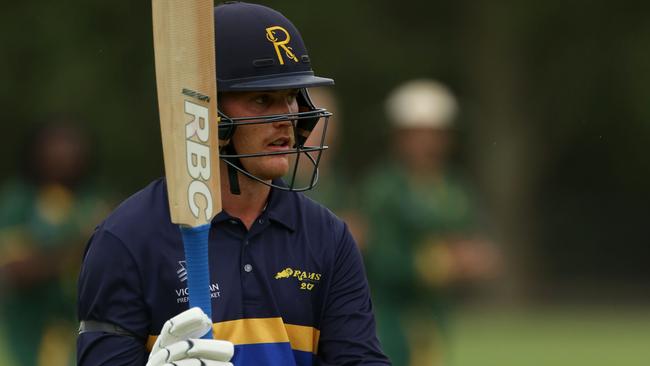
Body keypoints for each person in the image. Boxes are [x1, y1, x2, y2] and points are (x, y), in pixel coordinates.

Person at [76, 3, 390, 366]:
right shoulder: (126, 240)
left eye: (291, 97)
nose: (286, 118)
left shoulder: (327, 236)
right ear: (207, 111)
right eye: (262, 100)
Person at [361, 79, 500, 366]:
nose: (427, 143)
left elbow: (470, 240)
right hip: (389, 320)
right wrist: (444, 263)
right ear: (399, 136)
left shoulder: (454, 189)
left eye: (435, 133)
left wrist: (478, 258)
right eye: (417, 133)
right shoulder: (383, 189)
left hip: (434, 319)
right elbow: (382, 260)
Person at [0, 121, 108, 366]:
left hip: (83, 335)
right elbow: (14, 270)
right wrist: (82, 245)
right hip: (27, 335)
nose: (64, 155)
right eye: (55, 146)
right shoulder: (19, 202)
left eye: (72, 146)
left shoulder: (95, 200)